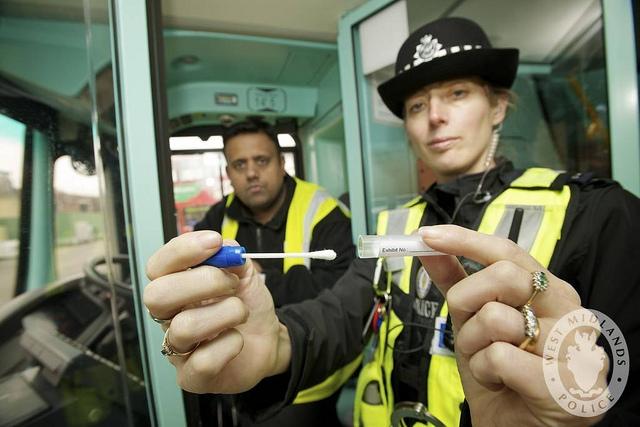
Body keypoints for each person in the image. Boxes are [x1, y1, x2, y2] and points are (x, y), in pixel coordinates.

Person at [144, 17, 640, 427]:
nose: (435, 117)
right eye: (417, 105)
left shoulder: (595, 212)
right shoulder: (396, 226)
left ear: (498, 107)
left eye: (458, 93)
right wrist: (274, 344)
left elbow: (621, 377)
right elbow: (340, 314)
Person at [192, 119, 355, 426]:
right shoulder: (219, 214)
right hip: (239, 364)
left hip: (309, 375)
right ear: (228, 174)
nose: (251, 172)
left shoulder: (323, 211)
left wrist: (258, 279)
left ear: (282, 164)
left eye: (261, 161)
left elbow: (337, 291)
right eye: (239, 164)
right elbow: (197, 268)